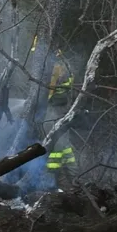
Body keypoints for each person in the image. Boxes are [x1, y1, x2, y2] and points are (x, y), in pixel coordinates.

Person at [44, 61, 77, 190]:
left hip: (60, 114)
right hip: (55, 114)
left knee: (63, 148)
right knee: (60, 148)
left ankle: (71, 180)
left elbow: (61, 96)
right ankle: (60, 180)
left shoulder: (62, 72)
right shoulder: (54, 73)